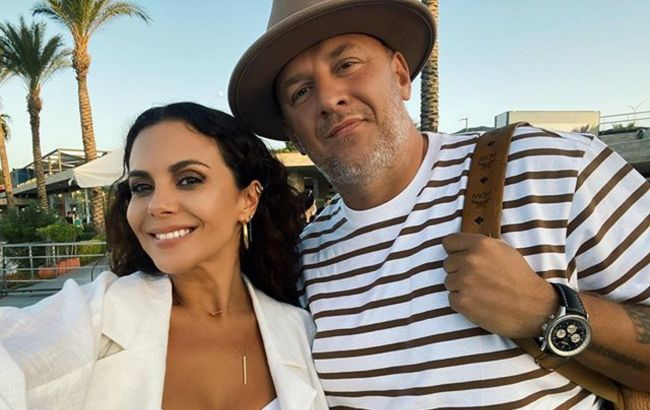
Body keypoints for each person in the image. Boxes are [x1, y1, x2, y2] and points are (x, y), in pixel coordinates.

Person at [228, 0, 650, 408]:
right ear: (293, 135)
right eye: (301, 91)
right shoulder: (304, 257)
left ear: (399, 75)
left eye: (346, 65)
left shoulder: (550, 166)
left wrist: (548, 311)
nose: (328, 98)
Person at [0, 102, 328, 410]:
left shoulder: (298, 330)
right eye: (142, 187)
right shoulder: (96, 316)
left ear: (248, 200)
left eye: (189, 180)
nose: (157, 205)